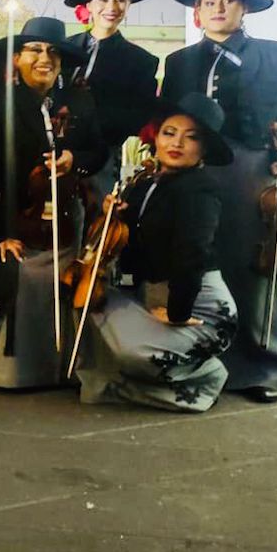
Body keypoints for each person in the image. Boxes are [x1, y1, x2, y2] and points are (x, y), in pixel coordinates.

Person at [163, 0, 277, 403]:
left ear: (243, 8)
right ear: (198, 12)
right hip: (198, 171)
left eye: (227, 1)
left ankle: (272, 368)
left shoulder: (276, 54)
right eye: (209, 2)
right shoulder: (180, 62)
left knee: (259, 268)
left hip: (252, 170)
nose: (218, 8)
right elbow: (170, 121)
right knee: (204, 262)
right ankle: (210, 362)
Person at [78, 93, 237, 412]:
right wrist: (117, 215)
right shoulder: (146, 183)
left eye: (191, 137)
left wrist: (177, 311)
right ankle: (144, 380)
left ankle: (204, 378)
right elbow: (136, 242)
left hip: (198, 303)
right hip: (154, 294)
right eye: (169, 133)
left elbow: (192, 252)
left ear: (203, 148)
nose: (177, 143)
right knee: (86, 304)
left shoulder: (201, 188)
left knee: (134, 353)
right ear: (156, 137)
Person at [0, 17, 107, 389]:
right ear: (16, 59)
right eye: (34, 50)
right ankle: (19, 369)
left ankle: (67, 363)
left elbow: (97, 150)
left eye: (52, 52)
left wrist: (73, 160)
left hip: (71, 218)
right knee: (24, 277)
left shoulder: (78, 98)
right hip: (21, 217)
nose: (44, 58)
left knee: (71, 283)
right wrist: (0, 234)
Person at [64, 0, 160, 195]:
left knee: (98, 222)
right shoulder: (63, 47)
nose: (111, 7)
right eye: (103, 0)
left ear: (129, 5)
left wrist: (94, 127)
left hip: (103, 156)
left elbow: (138, 116)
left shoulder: (141, 61)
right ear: (89, 5)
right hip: (54, 148)